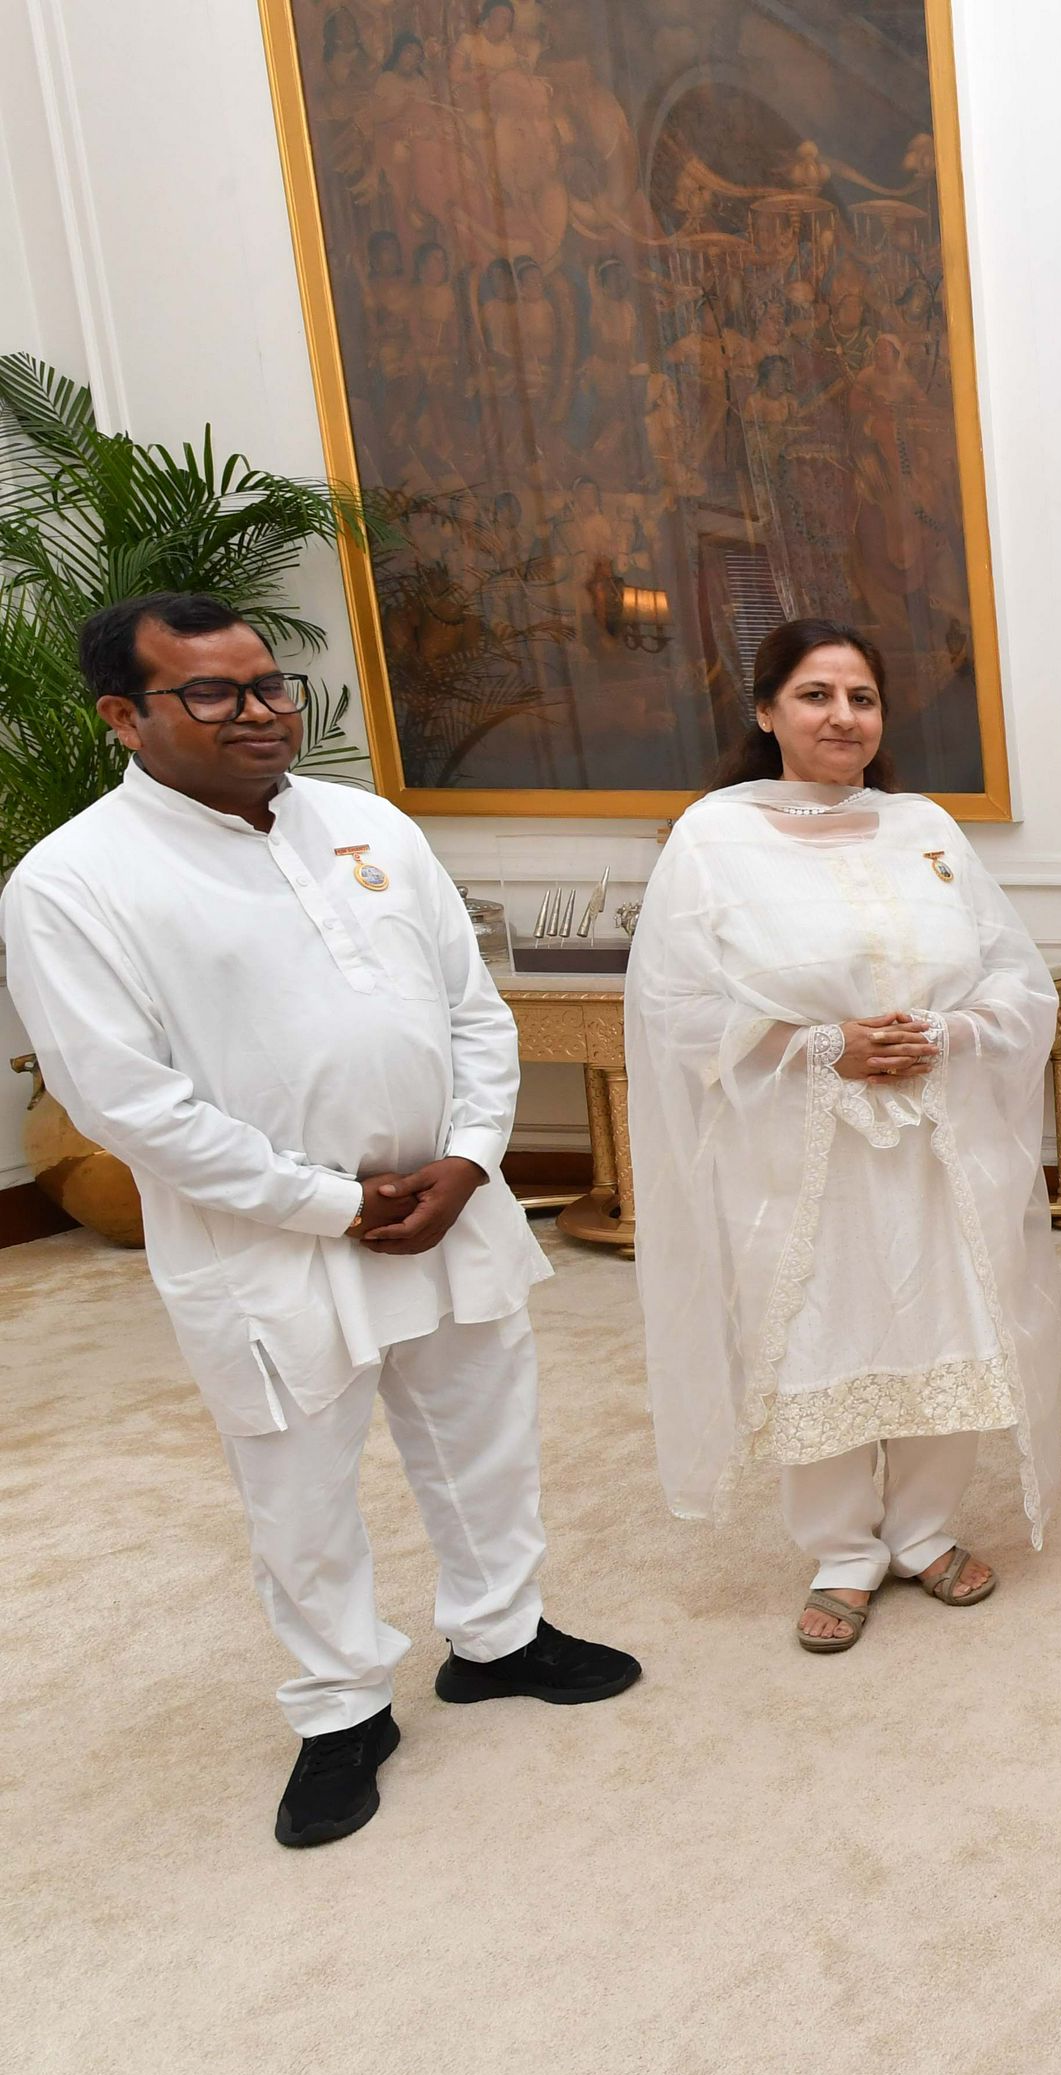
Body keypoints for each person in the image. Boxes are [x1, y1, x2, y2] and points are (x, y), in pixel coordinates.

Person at [2, 592, 638, 1848]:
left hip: (445, 1205)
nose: (259, 710)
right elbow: (125, 1100)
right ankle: (343, 1706)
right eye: (212, 691)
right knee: (297, 1484)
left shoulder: (369, 824)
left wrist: (471, 1158)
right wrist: (331, 1203)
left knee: (484, 1432)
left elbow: (473, 1009)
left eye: (268, 683)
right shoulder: (71, 881)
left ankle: (500, 1637)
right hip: (268, 1242)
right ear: (123, 715)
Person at [626, 619, 1061, 1653]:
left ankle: (923, 1529)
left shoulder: (924, 828)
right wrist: (825, 1047)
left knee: (947, 1319)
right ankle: (840, 1551)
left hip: (937, 1138)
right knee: (815, 1327)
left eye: (861, 697)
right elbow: (675, 1008)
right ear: (765, 710)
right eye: (816, 695)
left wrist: (946, 1031)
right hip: (795, 1150)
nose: (843, 717)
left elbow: (1016, 977)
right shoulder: (712, 839)